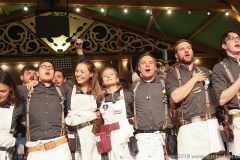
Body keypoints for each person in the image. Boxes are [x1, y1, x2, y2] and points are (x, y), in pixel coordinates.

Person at [165, 39, 224, 159]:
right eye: (182, 49)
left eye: (188, 48)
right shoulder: (172, 75)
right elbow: (175, 97)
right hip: (188, 129)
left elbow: (218, 96)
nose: (186, 50)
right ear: (176, 55)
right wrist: (194, 79)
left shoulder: (206, 71)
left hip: (210, 125)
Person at [17, 59, 72, 160]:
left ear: (54, 73)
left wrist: (79, 51)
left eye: (50, 67)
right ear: (37, 73)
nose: (47, 68)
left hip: (60, 147)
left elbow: (82, 76)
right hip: (35, 148)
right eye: (44, 67)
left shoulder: (62, 90)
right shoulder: (25, 90)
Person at [65, 39, 104, 160]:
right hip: (73, 132)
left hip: (91, 132)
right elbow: (83, 64)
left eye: (82, 72)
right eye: (76, 71)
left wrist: (100, 114)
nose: (78, 74)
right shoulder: (71, 86)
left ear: (91, 74)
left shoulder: (97, 91)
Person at [128, 53, 168, 160]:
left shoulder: (164, 83)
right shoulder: (134, 86)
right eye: (143, 63)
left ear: (155, 67)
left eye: (150, 63)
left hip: (162, 136)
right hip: (140, 137)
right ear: (139, 68)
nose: (147, 65)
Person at [212, 31, 240, 157]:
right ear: (224, 45)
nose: (236, 40)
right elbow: (222, 99)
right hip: (237, 118)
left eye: (238, 38)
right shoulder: (220, 67)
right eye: (232, 38)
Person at [99, 67, 134, 160]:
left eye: (111, 74)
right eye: (105, 76)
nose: (108, 77)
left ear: (117, 78)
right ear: (102, 82)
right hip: (109, 137)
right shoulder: (100, 99)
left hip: (127, 135)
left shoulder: (127, 95)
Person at [0, 72, 26, 160]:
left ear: (10, 88)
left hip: (7, 153)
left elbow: (27, 124)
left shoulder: (17, 107)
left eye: (3, 91)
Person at [17, 64, 38, 160]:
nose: (32, 75)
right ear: (21, 77)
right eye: (28, 73)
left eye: (34, 73)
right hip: (20, 133)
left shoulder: (40, 90)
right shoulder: (17, 90)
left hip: (37, 133)